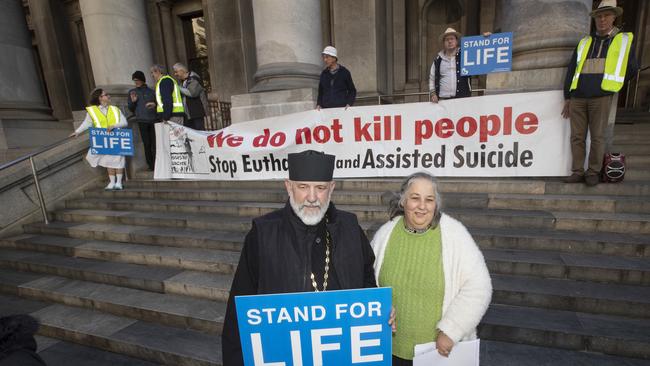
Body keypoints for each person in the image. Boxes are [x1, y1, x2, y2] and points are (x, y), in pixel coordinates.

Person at [221, 150, 379, 366]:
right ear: (289, 186)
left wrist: (379, 314)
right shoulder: (263, 234)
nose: (312, 197)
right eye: (303, 187)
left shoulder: (350, 228)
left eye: (320, 188)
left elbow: (368, 283)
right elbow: (239, 312)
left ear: (331, 188)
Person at [371, 172, 492, 365]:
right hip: (389, 351)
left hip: (436, 353)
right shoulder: (385, 234)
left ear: (436, 204)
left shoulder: (455, 235)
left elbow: (479, 286)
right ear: (403, 201)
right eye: (415, 198)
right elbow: (369, 282)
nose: (422, 206)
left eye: (429, 200)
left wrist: (451, 330)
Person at [561, 0, 637, 186]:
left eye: (606, 16)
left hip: (601, 96)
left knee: (597, 136)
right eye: (599, 16)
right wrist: (568, 96)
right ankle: (577, 171)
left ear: (614, 17)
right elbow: (572, 69)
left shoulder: (622, 40)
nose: (602, 19)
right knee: (577, 137)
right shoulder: (585, 42)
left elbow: (632, 67)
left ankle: (593, 172)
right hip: (579, 96)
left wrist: (613, 86)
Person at [70, 88, 128, 190]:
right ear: (100, 98)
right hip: (102, 139)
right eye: (105, 95)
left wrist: (114, 125)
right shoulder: (92, 111)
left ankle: (118, 183)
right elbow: (87, 123)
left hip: (116, 137)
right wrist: (78, 132)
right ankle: (112, 182)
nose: (108, 96)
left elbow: (125, 122)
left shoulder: (115, 109)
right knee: (108, 160)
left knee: (118, 160)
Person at [429, 27, 471, 103]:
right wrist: (433, 93)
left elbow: (480, 56)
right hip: (443, 100)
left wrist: (486, 39)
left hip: (462, 99)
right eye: (447, 39)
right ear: (444, 43)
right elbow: (432, 78)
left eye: (452, 39)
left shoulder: (465, 56)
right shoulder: (438, 60)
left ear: (456, 41)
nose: (450, 41)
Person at [127, 70, 158, 171]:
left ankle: (158, 163)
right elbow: (131, 108)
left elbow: (158, 105)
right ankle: (151, 165)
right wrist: (133, 102)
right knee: (147, 143)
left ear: (142, 80)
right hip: (142, 121)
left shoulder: (152, 91)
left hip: (153, 120)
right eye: (134, 80)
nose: (136, 82)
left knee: (155, 143)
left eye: (137, 80)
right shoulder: (132, 92)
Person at [172, 63, 209, 131]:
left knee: (199, 133)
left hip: (196, 113)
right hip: (188, 114)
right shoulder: (183, 82)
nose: (175, 74)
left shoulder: (194, 79)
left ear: (182, 70)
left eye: (176, 72)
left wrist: (177, 87)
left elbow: (192, 93)